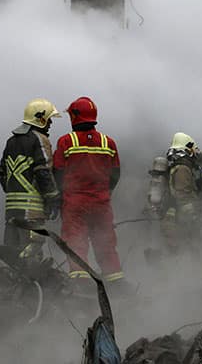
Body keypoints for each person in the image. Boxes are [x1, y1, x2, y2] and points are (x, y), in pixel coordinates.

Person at [53, 96, 125, 285]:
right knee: (106, 243)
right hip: (101, 203)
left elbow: (58, 173)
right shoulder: (108, 142)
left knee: (76, 242)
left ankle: (80, 283)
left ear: (75, 117)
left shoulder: (65, 142)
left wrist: (59, 197)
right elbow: (116, 174)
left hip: (75, 203)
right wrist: (104, 193)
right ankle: (116, 282)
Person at [0, 98, 61, 258]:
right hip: (31, 211)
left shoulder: (11, 141)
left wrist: (14, 191)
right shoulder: (40, 140)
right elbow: (43, 171)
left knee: (11, 255)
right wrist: (53, 198)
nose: (50, 123)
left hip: (11, 211)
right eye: (49, 119)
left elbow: (1, 172)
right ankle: (30, 283)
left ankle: (9, 283)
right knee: (31, 253)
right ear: (40, 118)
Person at [158, 132, 202, 258]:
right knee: (185, 254)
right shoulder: (183, 168)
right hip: (178, 221)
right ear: (188, 149)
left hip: (174, 219)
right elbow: (182, 195)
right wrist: (193, 216)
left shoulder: (176, 166)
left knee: (182, 253)